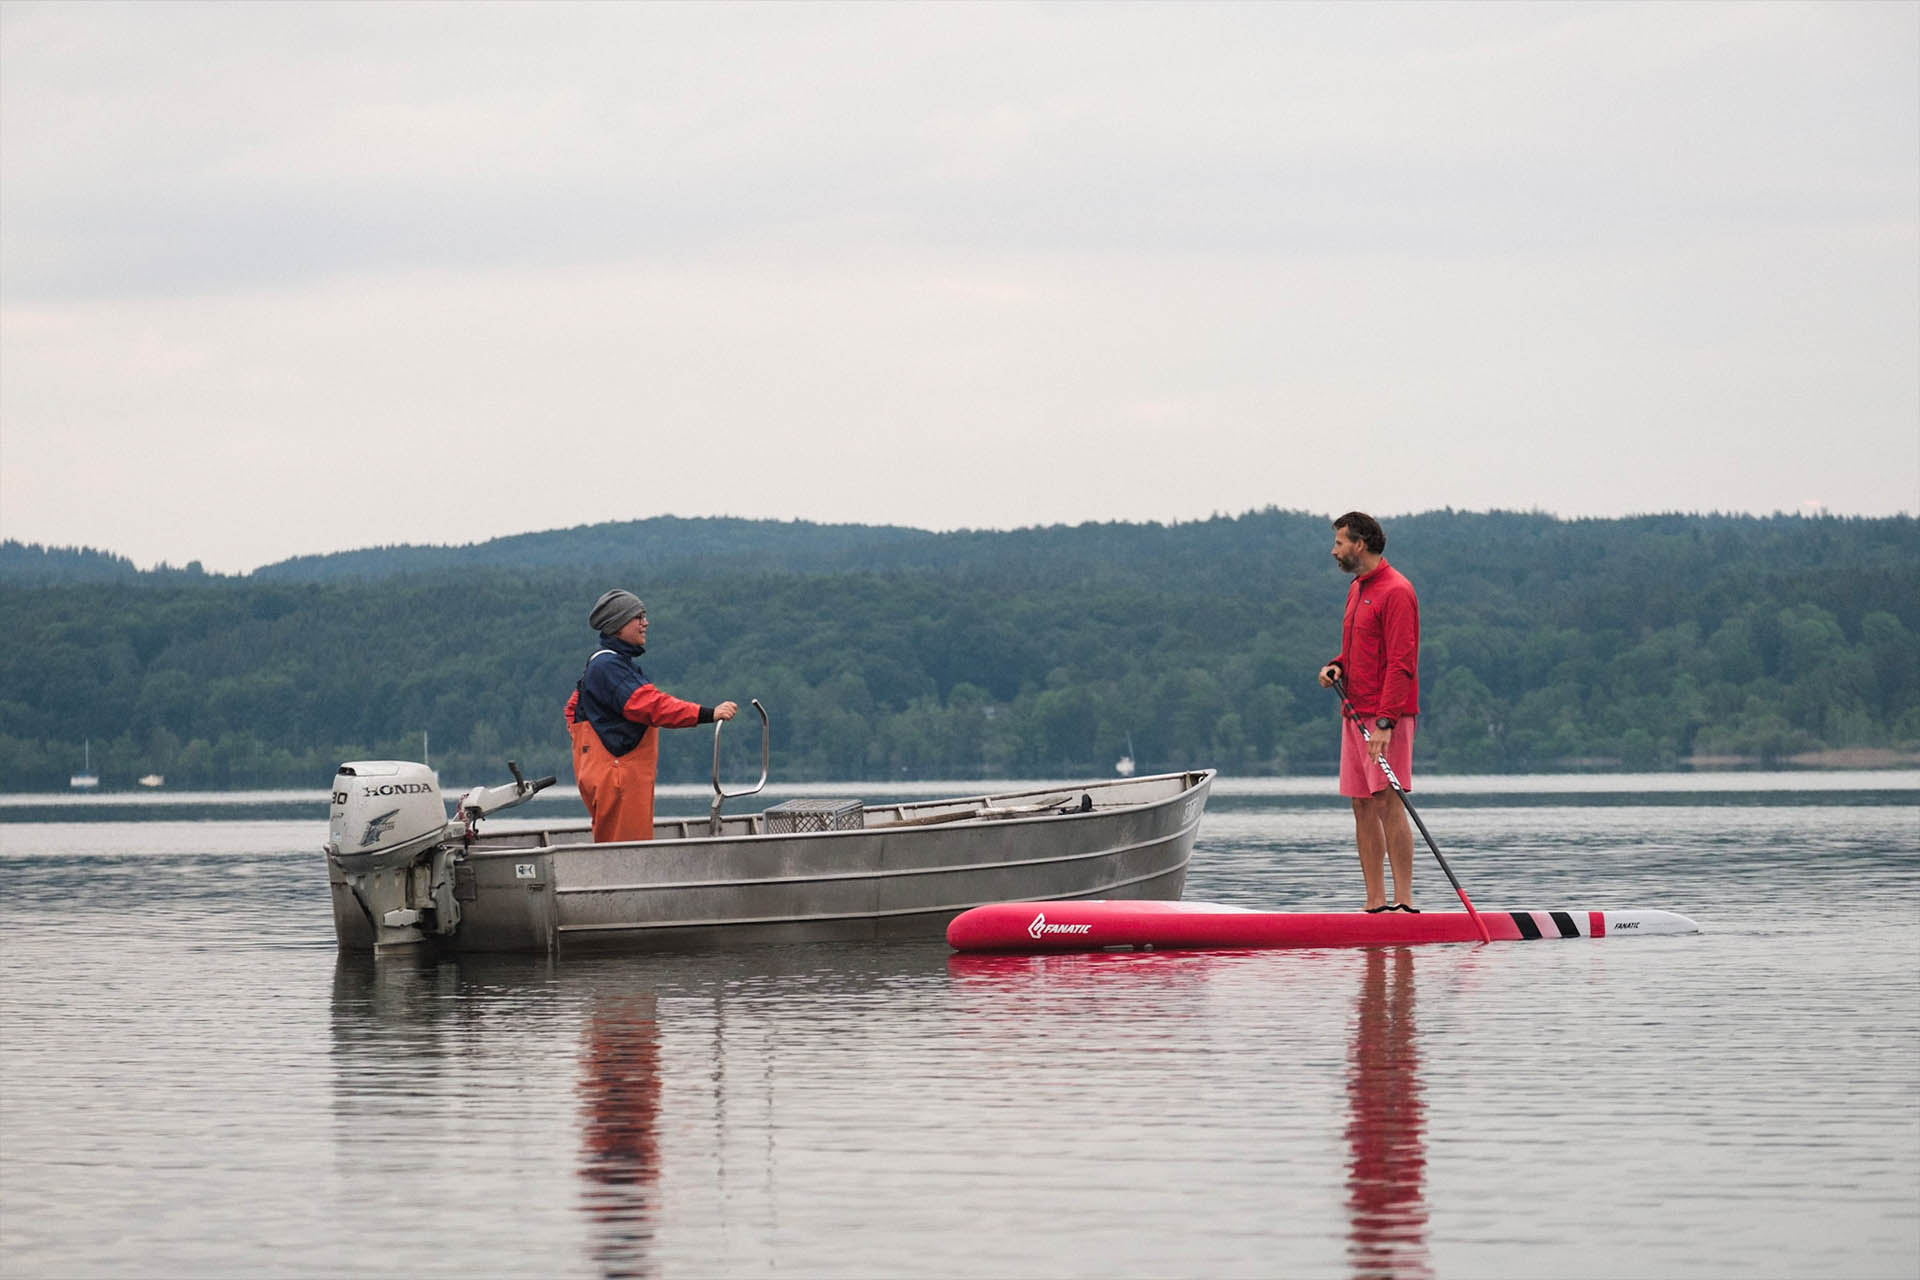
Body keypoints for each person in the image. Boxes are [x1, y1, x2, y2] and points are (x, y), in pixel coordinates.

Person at [564, 589, 738, 843]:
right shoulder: (610, 666)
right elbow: (651, 706)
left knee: (614, 848)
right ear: (618, 624)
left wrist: (592, 754)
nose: (646, 623)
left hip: (606, 774)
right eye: (638, 617)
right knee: (628, 855)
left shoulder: (600, 663)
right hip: (619, 778)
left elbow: (573, 710)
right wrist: (708, 714)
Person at [1316, 512, 1421, 913]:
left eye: (1340, 542)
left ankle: (1405, 902)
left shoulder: (1397, 590)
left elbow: (1401, 662)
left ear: (1359, 544)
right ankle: (1375, 904)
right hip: (1353, 713)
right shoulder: (1357, 589)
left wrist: (1385, 723)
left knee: (1386, 800)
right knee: (1361, 803)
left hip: (1384, 719)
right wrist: (1336, 666)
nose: (1334, 550)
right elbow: (1359, 650)